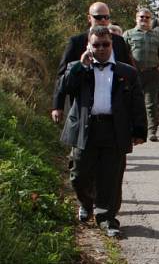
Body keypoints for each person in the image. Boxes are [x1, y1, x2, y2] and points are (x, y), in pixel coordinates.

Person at [56, 25, 146, 237]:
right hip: (85, 128)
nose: (102, 49)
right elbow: (66, 87)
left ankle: (107, 218)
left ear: (111, 44)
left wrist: (139, 130)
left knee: (111, 176)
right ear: (89, 45)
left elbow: (137, 103)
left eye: (105, 44)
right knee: (79, 175)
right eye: (96, 45)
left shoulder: (127, 72)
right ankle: (86, 204)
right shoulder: (77, 68)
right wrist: (81, 65)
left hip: (114, 129)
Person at [52, 2, 132, 125]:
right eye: (98, 17)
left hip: (114, 110)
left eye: (106, 17)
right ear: (89, 18)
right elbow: (62, 75)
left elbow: (129, 75)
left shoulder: (119, 42)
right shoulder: (76, 42)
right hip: (83, 109)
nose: (103, 20)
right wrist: (58, 106)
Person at [123, 8, 159, 141]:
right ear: (136, 18)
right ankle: (131, 129)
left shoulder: (157, 35)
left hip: (152, 73)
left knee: (151, 103)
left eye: (147, 17)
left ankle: (152, 131)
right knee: (133, 102)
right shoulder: (128, 34)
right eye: (142, 17)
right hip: (134, 74)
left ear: (151, 19)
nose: (144, 20)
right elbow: (125, 53)